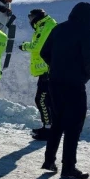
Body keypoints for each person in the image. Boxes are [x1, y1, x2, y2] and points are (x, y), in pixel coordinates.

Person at [40, 2, 90, 179]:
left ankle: (49, 160)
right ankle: (68, 168)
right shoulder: (86, 31)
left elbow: (44, 52)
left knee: (57, 122)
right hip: (74, 85)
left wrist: (56, 67)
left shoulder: (58, 29)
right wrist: (84, 76)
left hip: (54, 82)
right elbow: (89, 58)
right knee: (73, 127)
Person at [19, 8, 58, 141]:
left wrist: (24, 46)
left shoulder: (46, 26)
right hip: (47, 70)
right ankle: (49, 127)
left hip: (48, 70)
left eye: (31, 18)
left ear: (37, 17)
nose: (30, 21)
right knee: (47, 100)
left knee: (41, 99)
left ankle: (49, 129)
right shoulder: (45, 25)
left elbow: (37, 46)